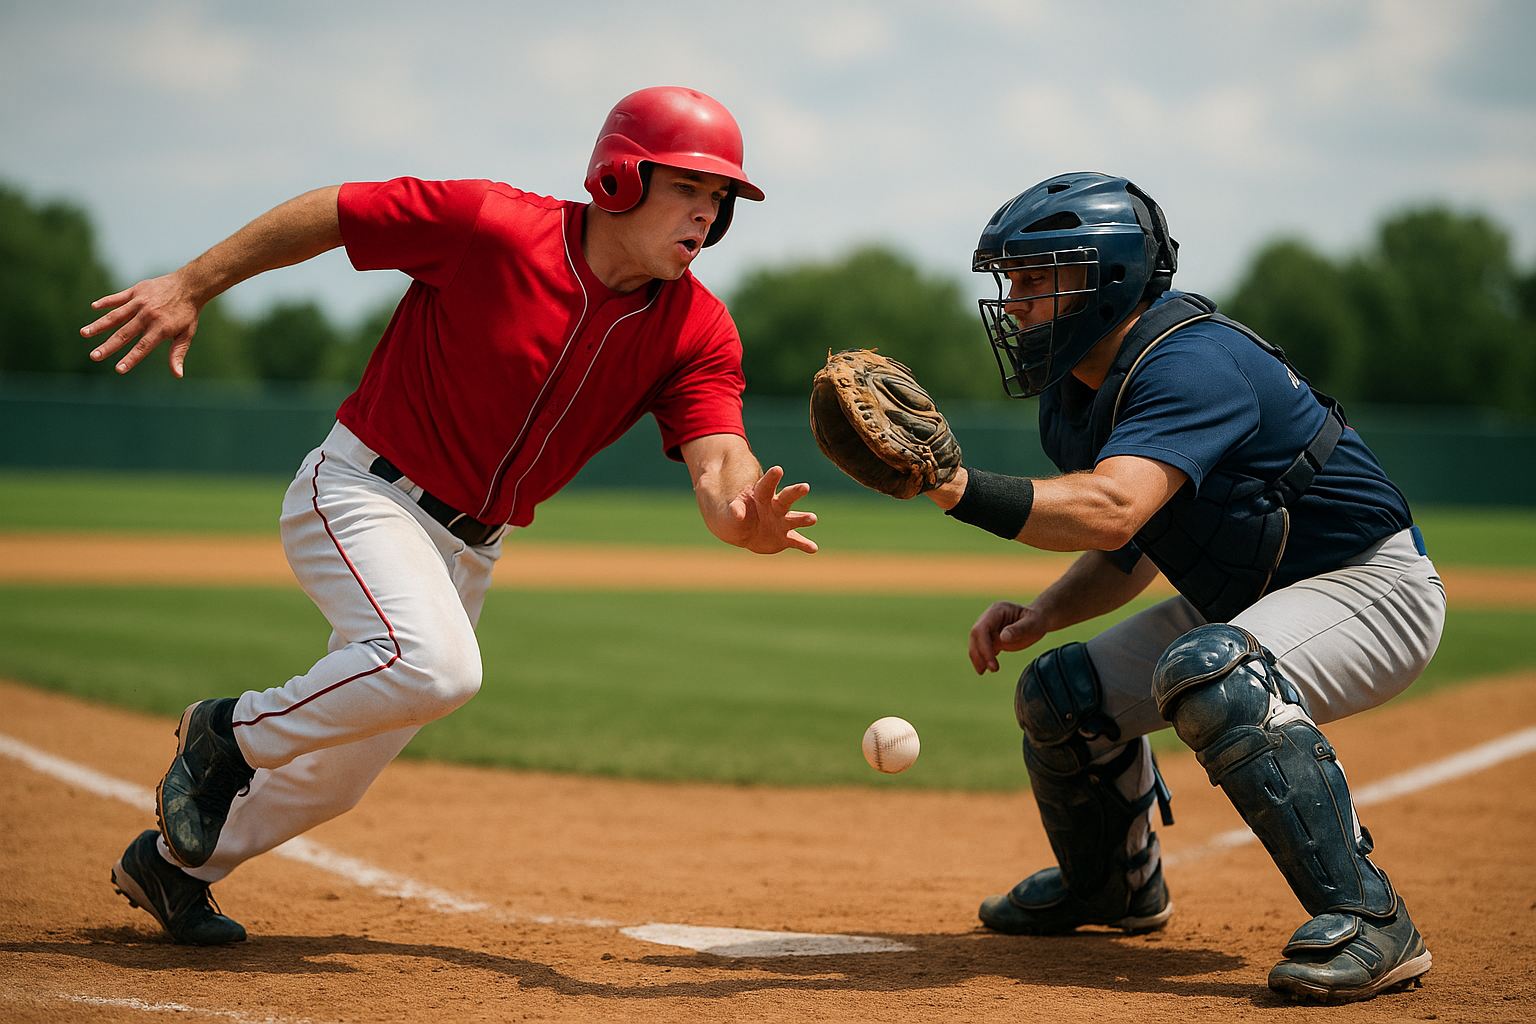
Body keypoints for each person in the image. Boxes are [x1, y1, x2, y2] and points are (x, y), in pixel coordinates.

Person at [80, 86, 817, 947]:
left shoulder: (696, 327)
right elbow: (335, 213)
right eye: (689, 187)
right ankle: (225, 732)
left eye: (720, 199)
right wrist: (193, 283)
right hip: (363, 491)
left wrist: (743, 521)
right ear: (619, 178)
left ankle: (172, 869)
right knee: (436, 669)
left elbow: (719, 462)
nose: (707, 213)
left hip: (470, 549)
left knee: (340, 775)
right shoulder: (491, 226)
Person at [922, 172, 1443, 1004]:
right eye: (1007, 280)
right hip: (1243, 596)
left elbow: (1113, 505)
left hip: (1369, 584)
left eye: (1033, 278)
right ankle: (1113, 888)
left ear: (1107, 277)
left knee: (1214, 674)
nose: (1012, 302)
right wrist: (1050, 611)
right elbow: (1140, 536)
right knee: (1059, 695)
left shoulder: (1192, 361)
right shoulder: (1076, 390)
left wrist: (953, 486)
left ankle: (1375, 919)